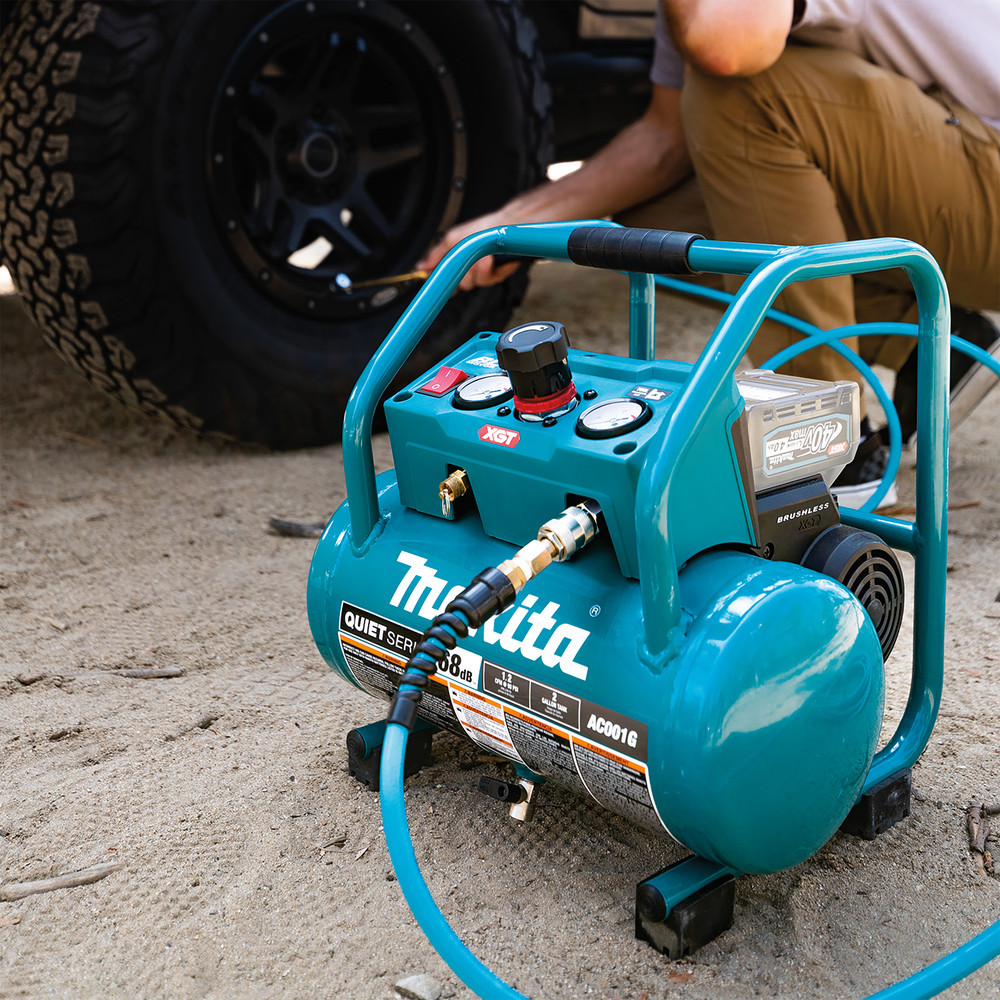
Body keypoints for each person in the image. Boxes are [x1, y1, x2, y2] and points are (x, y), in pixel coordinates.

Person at [418, 0, 1000, 509]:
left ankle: (823, 447)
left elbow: (723, 48)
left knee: (742, 94)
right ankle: (920, 336)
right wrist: (515, 226)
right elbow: (663, 141)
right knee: (645, 224)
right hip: (948, 158)